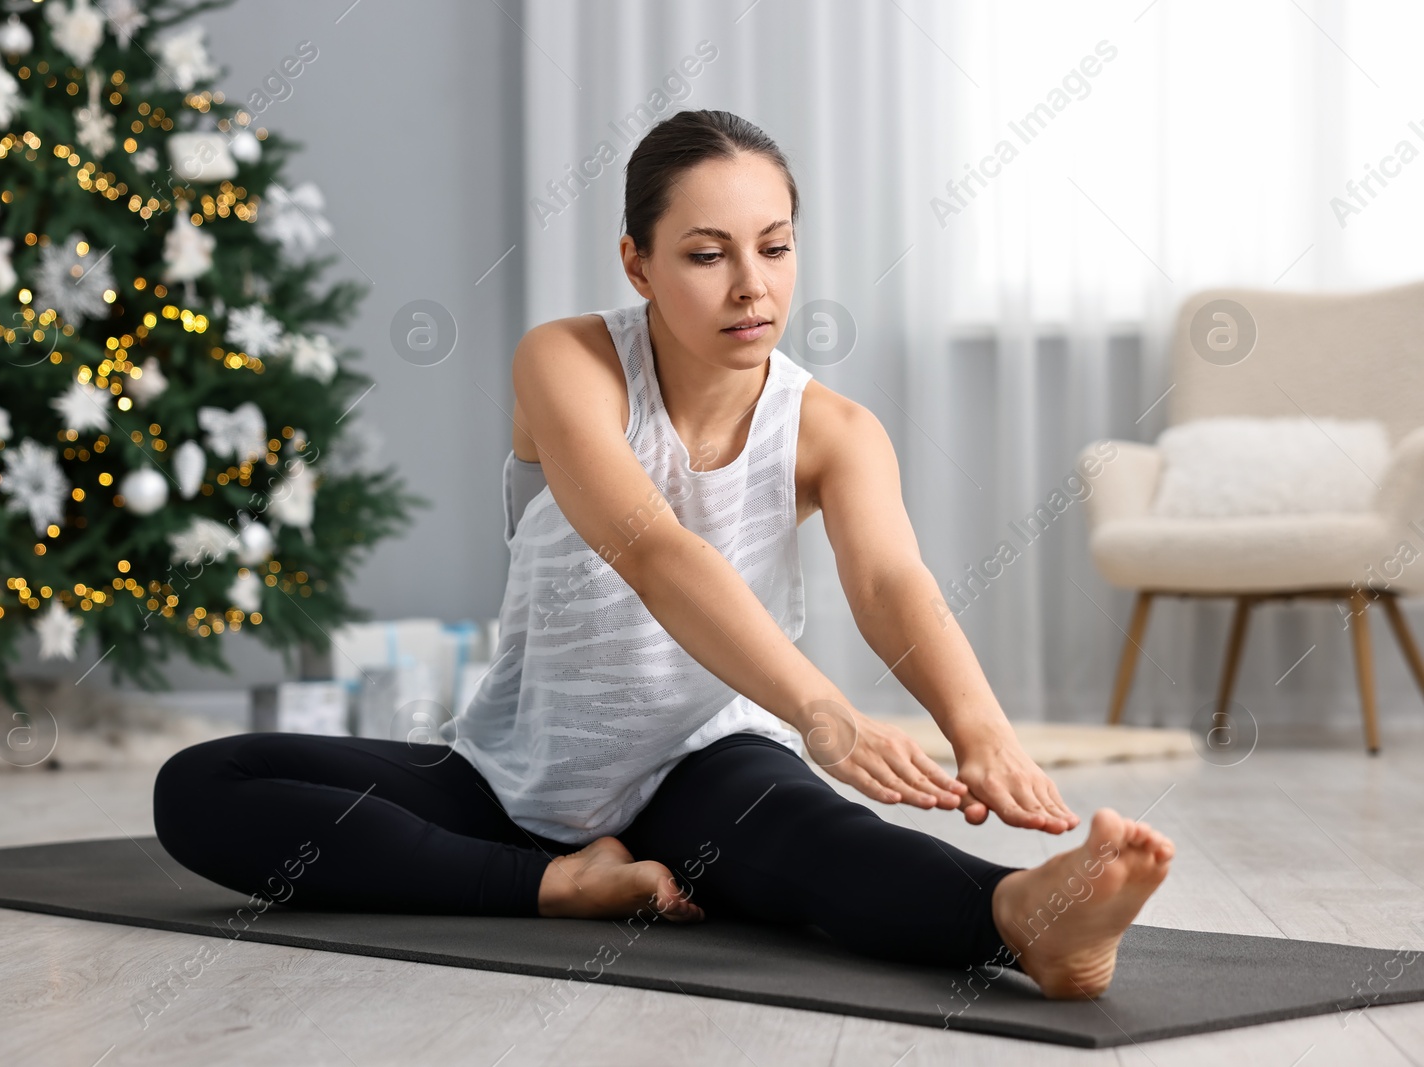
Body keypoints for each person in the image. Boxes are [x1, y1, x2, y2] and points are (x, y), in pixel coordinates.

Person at [153, 109, 1174, 1000]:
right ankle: (559, 884)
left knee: (814, 836)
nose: (749, 286)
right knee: (201, 786)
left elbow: (890, 580)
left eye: (773, 248)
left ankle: (1022, 918)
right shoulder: (567, 361)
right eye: (705, 253)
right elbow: (650, 547)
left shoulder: (834, 430)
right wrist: (822, 709)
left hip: (701, 767)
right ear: (635, 260)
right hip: (506, 777)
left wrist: (979, 727)